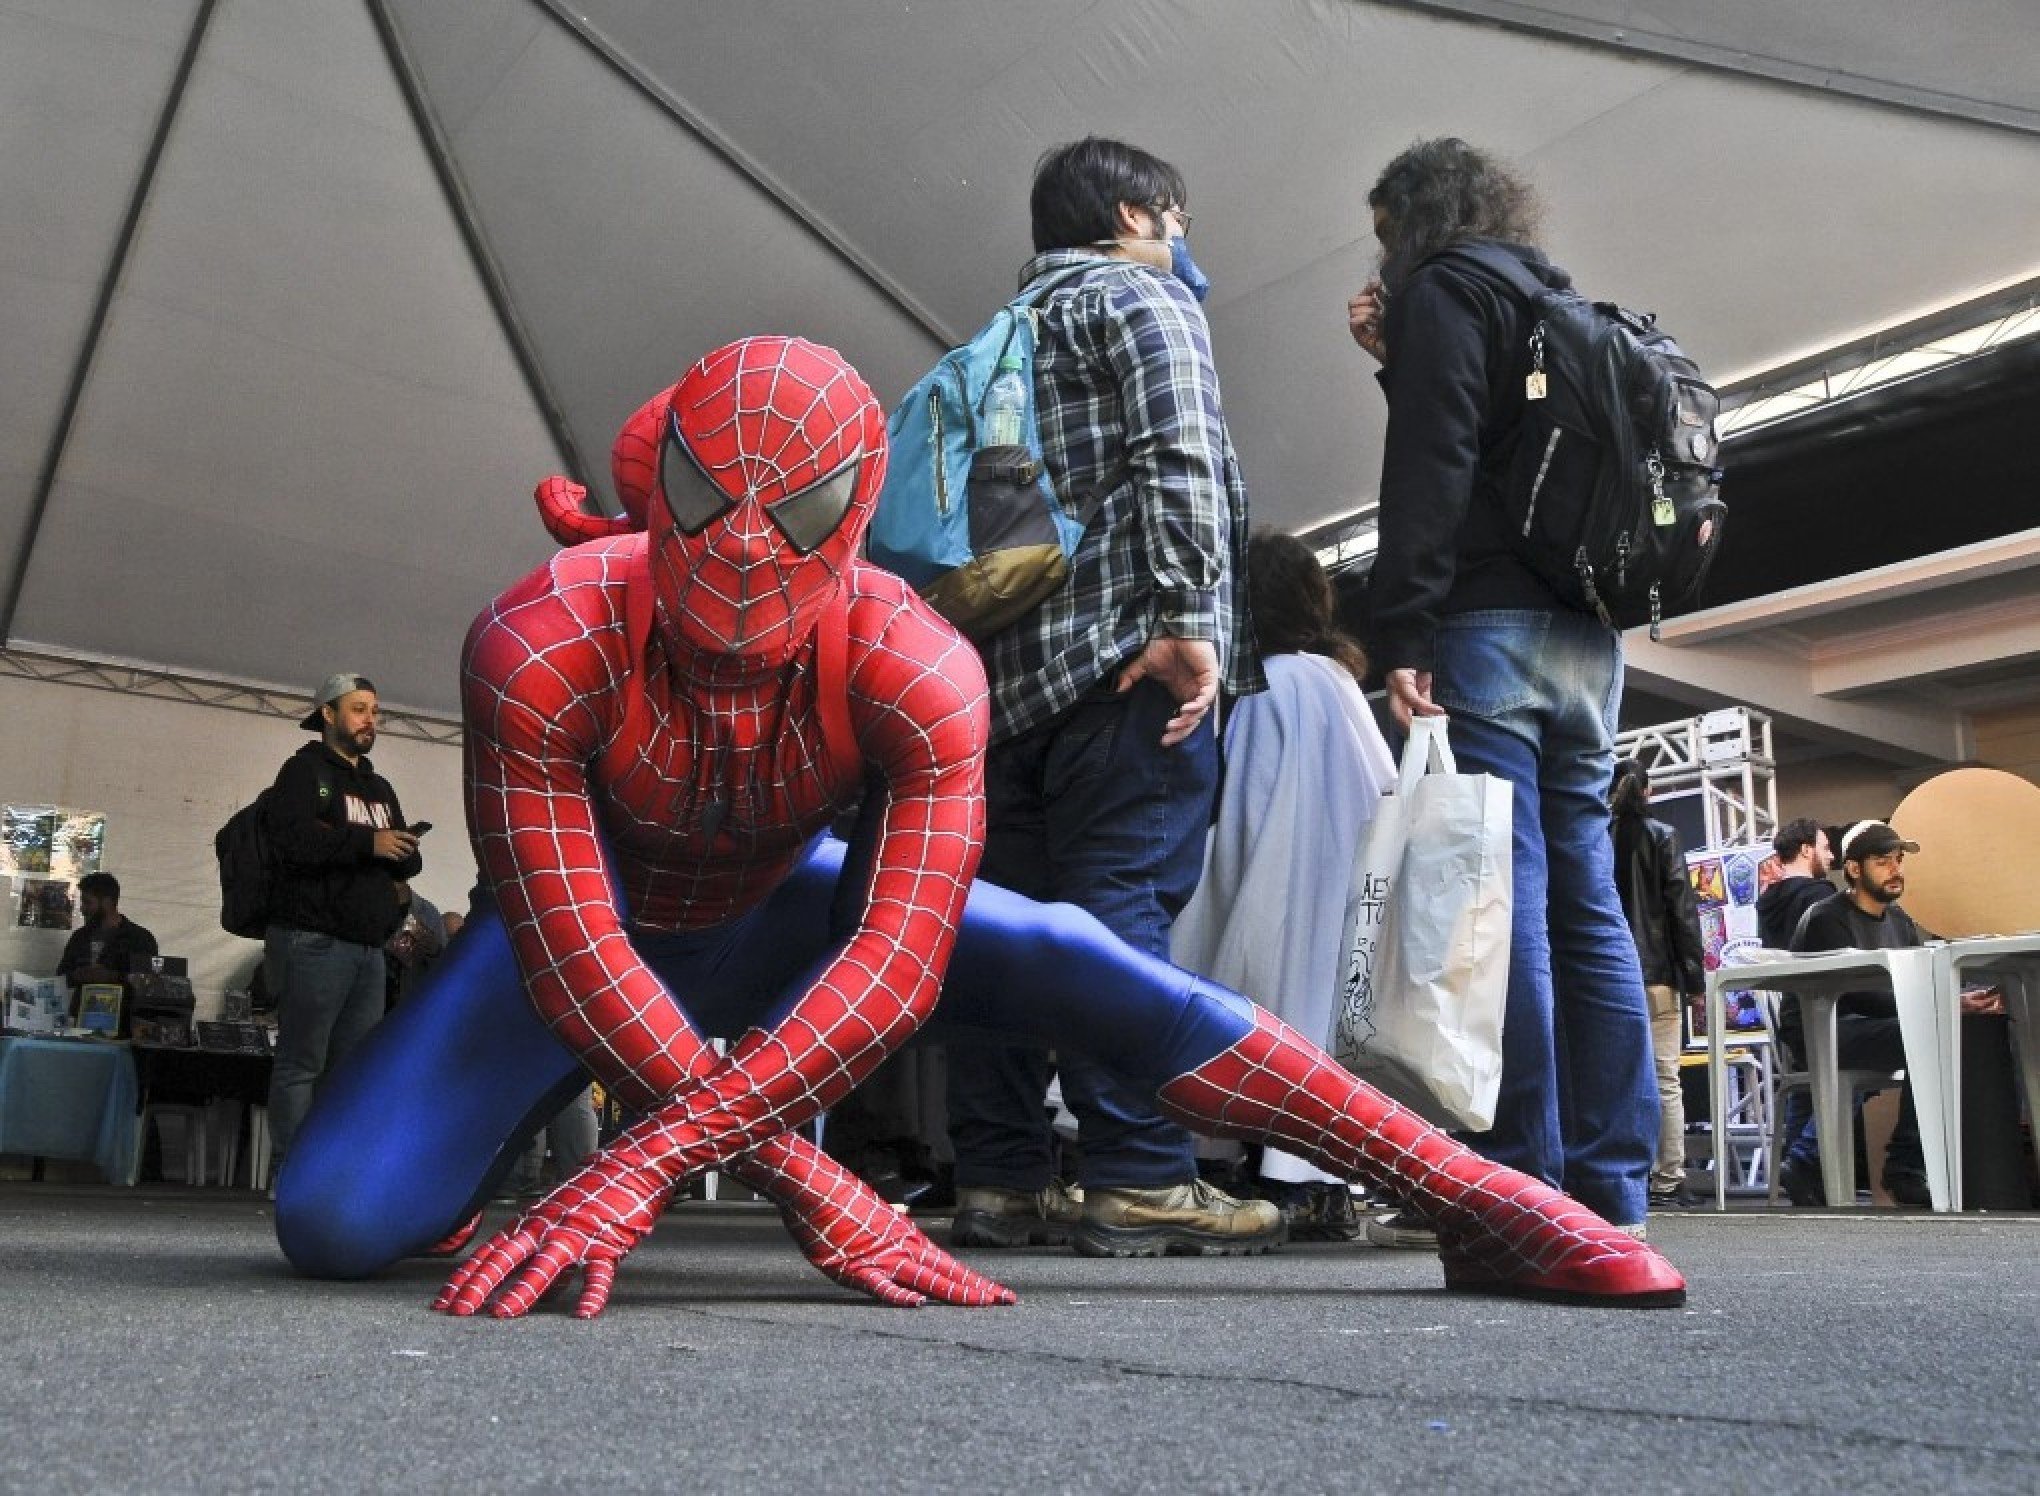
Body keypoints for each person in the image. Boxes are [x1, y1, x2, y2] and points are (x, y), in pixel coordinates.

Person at [270, 337, 1684, 1317]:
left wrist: (649, 1161)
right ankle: (457, 1169)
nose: (747, 544)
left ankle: (1475, 1194)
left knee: (1082, 953)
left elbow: (897, 960)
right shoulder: (546, 631)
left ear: (854, 518)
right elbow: (575, 949)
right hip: (577, 943)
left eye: (793, 508)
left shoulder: (908, 660)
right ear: (662, 500)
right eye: (711, 500)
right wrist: (808, 1176)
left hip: (779, 900)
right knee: (335, 1227)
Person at [941, 137, 1280, 1257]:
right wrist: (1189, 618)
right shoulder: (1139, 298)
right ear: (1136, 213)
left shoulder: (999, 337)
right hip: (1127, 665)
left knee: (1004, 935)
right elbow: (1179, 450)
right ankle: (1139, 1171)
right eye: (1177, 219)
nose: (1185, 243)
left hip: (1003, 686)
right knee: (1119, 909)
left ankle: (999, 1176)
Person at [1346, 138, 1657, 1242]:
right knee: (1588, 902)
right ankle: (1612, 1186)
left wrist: (1401, 631)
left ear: (1414, 221)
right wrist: (1397, 359)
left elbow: (1432, 465)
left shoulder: (1445, 287)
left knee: (1503, 899)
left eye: (1386, 231)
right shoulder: (1554, 298)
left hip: (1489, 629)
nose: (1382, 255)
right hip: (1590, 640)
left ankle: (1518, 1175)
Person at [1171, 529, 1395, 1239]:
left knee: (1265, 1026)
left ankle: (1275, 1179)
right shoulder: (1341, 684)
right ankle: (1326, 1183)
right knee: (1326, 1032)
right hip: (1347, 898)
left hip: (1280, 896)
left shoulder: (1264, 689)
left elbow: (1242, 821)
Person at [1785, 820, 2028, 1208]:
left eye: (1899, 860)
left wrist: (1962, 998)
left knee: (1964, 1026)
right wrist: (1945, 1002)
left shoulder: (1899, 921)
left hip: (1874, 1024)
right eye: (1883, 860)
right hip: (1824, 1027)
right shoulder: (1825, 917)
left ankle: (1972, 1160)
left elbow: (1917, 982)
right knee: (1931, 1028)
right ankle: (1904, 1163)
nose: (1896, 869)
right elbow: (1854, 995)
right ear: (1853, 868)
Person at [262, 671, 423, 1172]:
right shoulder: (303, 773)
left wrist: (403, 851)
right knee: (301, 1064)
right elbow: (290, 842)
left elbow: (402, 862)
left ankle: (331, 1174)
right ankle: (292, 1172)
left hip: (369, 949)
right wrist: (365, 843)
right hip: (315, 940)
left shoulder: (379, 787)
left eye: (374, 711)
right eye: (358, 709)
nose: (369, 720)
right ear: (328, 714)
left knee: (351, 1071)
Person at [1607, 761, 1706, 1210]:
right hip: (1656, 976)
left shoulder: (1596, 837)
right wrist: (1694, 977)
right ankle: (1669, 1179)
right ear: (1649, 790)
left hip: (1606, 975)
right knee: (1666, 1077)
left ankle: (1623, 1177)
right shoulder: (1663, 836)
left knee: (1615, 1080)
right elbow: (1680, 909)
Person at [1755, 817, 1838, 1205]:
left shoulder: (1768, 901)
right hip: (1819, 1010)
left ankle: (1797, 1163)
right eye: (1824, 847)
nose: (1831, 855)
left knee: (1811, 1083)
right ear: (1806, 849)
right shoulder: (1821, 896)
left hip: (1790, 1018)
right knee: (1857, 1062)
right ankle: (1805, 1157)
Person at [56, 872, 158, 992]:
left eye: (87, 902)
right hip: (79, 1009)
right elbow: (59, 979)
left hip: (125, 1010)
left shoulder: (141, 938)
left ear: (107, 902)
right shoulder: (79, 937)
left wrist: (111, 976)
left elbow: (150, 984)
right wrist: (76, 976)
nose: (82, 909)